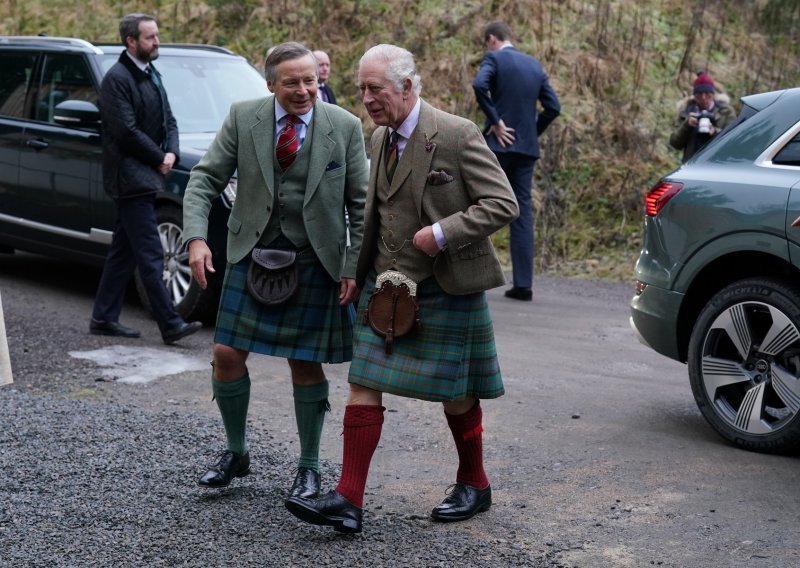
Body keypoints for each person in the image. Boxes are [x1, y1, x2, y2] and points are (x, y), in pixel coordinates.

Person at [285, 43, 519, 534]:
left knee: (455, 394)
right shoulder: (377, 138)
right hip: (384, 286)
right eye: (361, 89)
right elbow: (372, 214)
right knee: (362, 380)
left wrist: (441, 233)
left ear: (407, 87)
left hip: (444, 284)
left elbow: (503, 203)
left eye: (375, 89)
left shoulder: (456, 134)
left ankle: (474, 482)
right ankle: (348, 499)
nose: (366, 98)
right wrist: (355, 270)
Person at [183, 42, 368, 501]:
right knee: (226, 353)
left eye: (311, 80)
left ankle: (308, 467)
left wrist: (351, 265)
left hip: (314, 259)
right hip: (251, 254)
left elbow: (361, 205)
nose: (305, 90)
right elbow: (204, 179)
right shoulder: (245, 117)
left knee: (304, 362)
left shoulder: (343, 126)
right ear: (271, 85)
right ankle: (236, 451)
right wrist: (196, 238)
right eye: (292, 82)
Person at [90, 13, 202, 344]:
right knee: (151, 253)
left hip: (147, 174)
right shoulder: (116, 79)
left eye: (157, 35)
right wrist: (158, 157)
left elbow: (169, 119)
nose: (157, 42)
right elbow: (125, 131)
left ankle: (103, 316)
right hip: (129, 179)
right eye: (150, 37)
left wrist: (172, 154)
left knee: (123, 251)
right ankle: (170, 323)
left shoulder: (151, 73)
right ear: (131, 42)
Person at [473, 21, 560, 302]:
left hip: (497, 148)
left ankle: (472, 277)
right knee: (521, 214)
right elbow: (553, 107)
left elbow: (479, 84)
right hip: (525, 150)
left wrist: (497, 122)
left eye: (487, 43)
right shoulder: (534, 65)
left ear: (492, 39)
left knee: (478, 204)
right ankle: (523, 285)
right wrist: (531, 132)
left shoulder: (494, 58)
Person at [669, 71, 735, 162]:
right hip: (691, 166)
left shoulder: (725, 112)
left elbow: (734, 141)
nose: (703, 98)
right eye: (699, 95)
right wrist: (687, 125)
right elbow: (674, 143)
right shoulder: (686, 112)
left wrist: (715, 133)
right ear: (695, 96)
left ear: (713, 94)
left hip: (716, 166)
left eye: (707, 94)